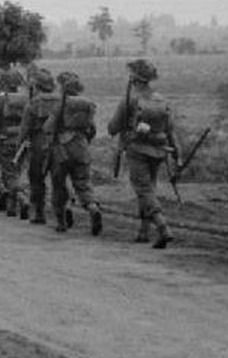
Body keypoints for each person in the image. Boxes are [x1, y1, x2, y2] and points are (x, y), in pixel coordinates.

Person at [106, 59, 176, 248]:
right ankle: (143, 231)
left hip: (136, 149)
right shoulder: (161, 99)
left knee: (143, 190)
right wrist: (175, 151)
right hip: (159, 150)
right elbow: (170, 129)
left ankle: (162, 227)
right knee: (148, 189)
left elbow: (112, 128)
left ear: (133, 78)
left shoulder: (129, 99)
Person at [45, 71, 102, 236]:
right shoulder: (88, 105)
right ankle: (93, 208)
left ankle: (62, 223)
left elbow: (48, 127)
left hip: (61, 151)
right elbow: (92, 129)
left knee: (59, 187)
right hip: (81, 148)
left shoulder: (61, 104)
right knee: (83, 183)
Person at [17, 69, 60, 224]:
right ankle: (63, 209)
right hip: (59, 142)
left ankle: (40, 213)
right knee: (59, 178)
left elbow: (24, 128)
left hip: (38, 142)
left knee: (36, 178)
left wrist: (19, 146)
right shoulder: (62, 100)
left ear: (37, 86)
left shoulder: (34, 103)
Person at [0, 70, 28, 215]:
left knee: (8, 174)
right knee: (17, 171)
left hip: (5, 139)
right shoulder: (27, 99)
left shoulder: (0, 99)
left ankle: (21, 198)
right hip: (21, 141)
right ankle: (11, 208)